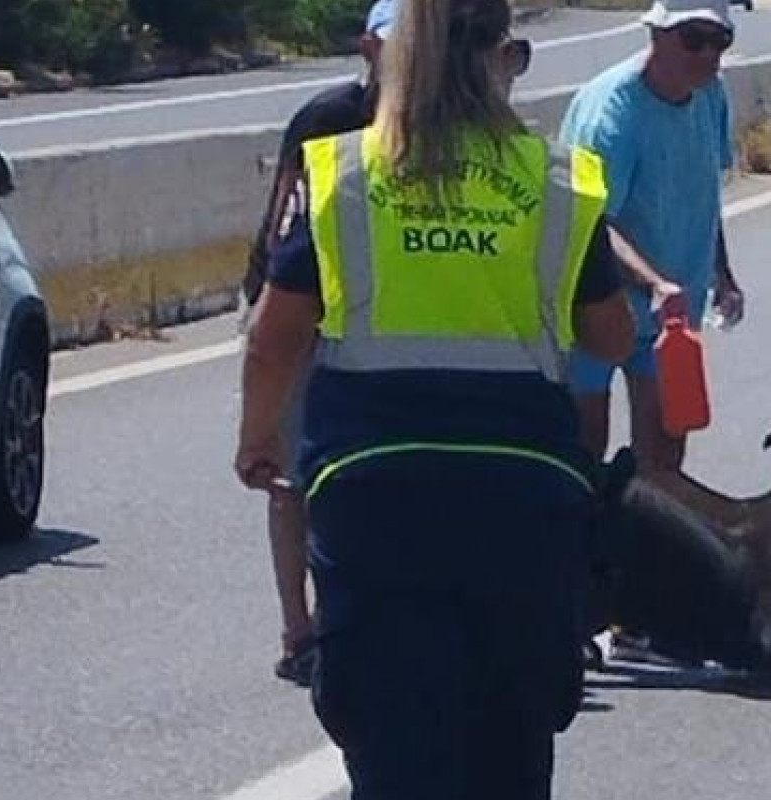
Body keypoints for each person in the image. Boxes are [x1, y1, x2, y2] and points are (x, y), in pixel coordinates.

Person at [232, 0, 633, 793]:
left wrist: (258, 439)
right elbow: (612, 339)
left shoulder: (346, 172)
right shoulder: (552, 177)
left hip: (376, 499)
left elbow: (276, 336)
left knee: (391, 743)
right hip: (522, 499)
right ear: (502, 58)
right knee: (510, 745)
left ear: (396, 56)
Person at [558, 0, 744, 664]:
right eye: (694, 39)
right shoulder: (615, 108)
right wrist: (652, 280)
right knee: (583, 461)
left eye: (719, 40)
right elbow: (590, 220)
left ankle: (642, 613)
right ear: (659, 34)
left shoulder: (710, 96)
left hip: (672, 318)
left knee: (663, 465)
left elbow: (707, 191)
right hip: (596, 303)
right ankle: (572, 612)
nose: (708, 55)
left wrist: (722, 271)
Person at [240, 0, 394, 687]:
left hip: (383, 324)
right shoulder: (329, 119)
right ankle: (297, 629)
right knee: (290, 480)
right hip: (306, 311)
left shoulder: (444, 126)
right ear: (369, 48)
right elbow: (283, 218)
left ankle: (364, 614)